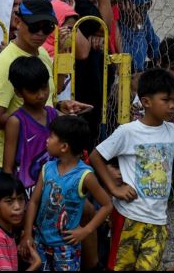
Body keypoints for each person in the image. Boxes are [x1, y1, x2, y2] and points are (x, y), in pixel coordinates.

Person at [0, 0, 90, 171]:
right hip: (11, 164)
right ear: (17, 22)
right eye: (34, 27)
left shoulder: (42, 53)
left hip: (39, 159)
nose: (40, 33)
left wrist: (59, 107)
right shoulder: (6, 62)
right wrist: (40, 122)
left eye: (47, 27)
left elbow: (40, 102)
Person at [90, 68, 174, 271]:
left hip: (158, 220)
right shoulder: (128, 132)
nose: (172, 106)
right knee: (120, 267)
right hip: (128, 215)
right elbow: (96, 156)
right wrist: (114, 188)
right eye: (166, 100)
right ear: (146, 102)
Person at [21, 115, 112, 271]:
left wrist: (85, 231)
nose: (47, 140)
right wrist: (28, 233)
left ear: (64, 147)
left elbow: (107, 205)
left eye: (51, 137)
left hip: (67, 249)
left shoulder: (85, 175)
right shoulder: (47, 168)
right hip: (40, 243)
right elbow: (34, 201)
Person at [2, 56, 59, 192]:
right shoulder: (16, 121)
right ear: (18, 92)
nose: (41, 95)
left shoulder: (54, 115)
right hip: (27, 191)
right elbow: (8, 167)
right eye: (33, 91)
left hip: (54, 190)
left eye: (44, 87)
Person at [0, 172, 41, 271]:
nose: (17, 207)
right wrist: (36, 264)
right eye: (9, 201)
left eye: (21, 199)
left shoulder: (6, 231)